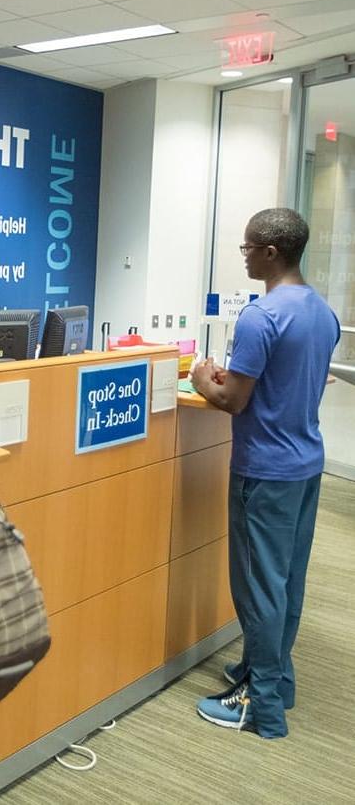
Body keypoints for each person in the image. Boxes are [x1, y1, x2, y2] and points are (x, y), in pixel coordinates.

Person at [190, 207, 339, 739]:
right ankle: (274, 675)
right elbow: (300, 382)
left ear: (271, 253)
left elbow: (232, 400)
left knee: (259, 588)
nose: (245, 255)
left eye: (248, 248)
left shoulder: (261, 316)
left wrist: (202, 376)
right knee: (286, 581)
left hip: (265, 470)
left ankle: (262, 705)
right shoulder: (322, 312)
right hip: (305, 466)